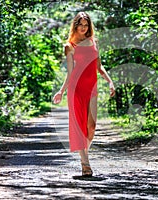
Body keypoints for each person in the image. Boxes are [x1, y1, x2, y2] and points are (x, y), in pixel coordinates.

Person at [53, 11, 115, 177]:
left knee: (92, 126)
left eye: (86, 25)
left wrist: (110, 81)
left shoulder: (94, 42)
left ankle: (84, 154)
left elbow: (99, 67)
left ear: (89, 26)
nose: (83, 27)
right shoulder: (70, 46)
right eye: (80, 24)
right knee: (79, 126)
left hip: (92, 88)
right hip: (76, 89)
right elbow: (70, 73)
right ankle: (85, 163)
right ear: (75, 25)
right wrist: (61, 91)